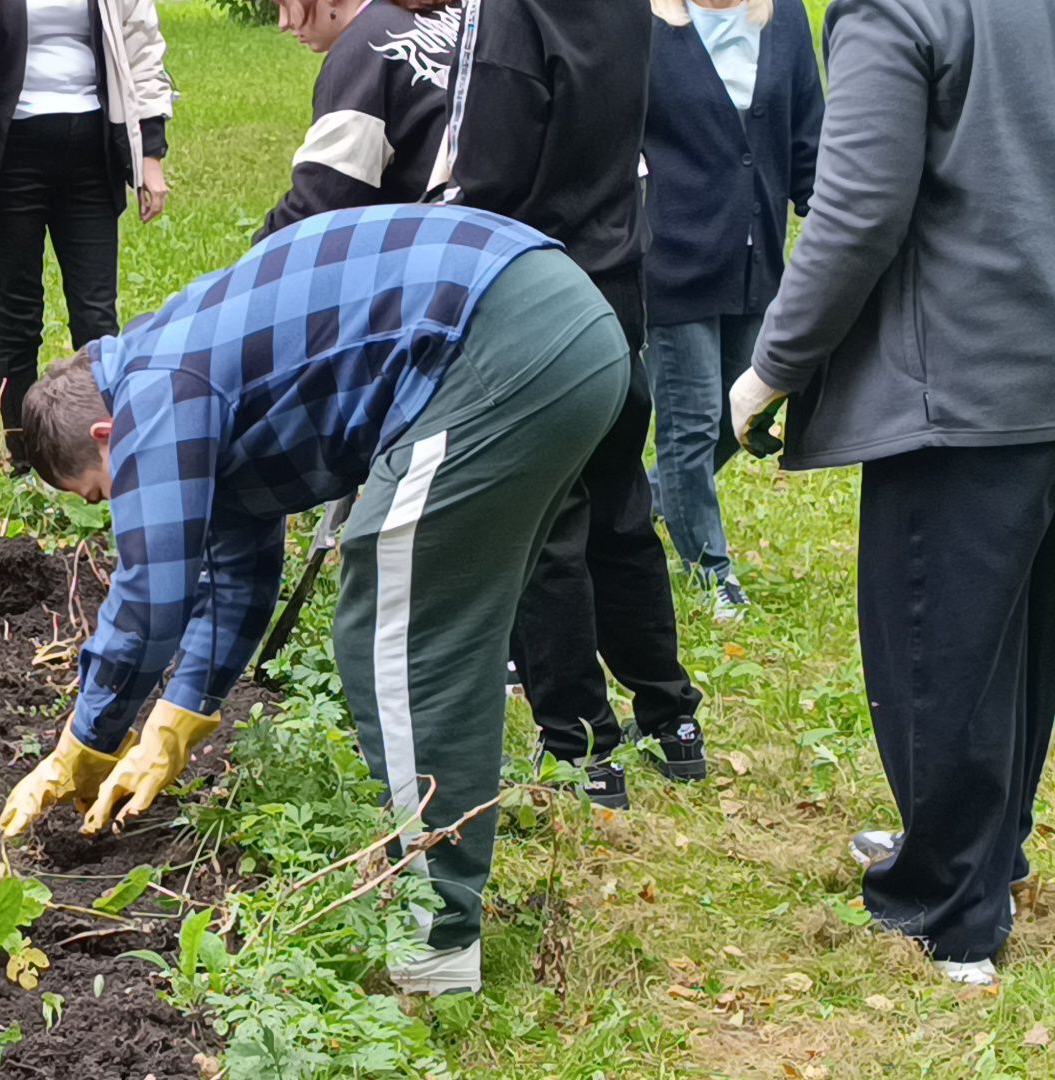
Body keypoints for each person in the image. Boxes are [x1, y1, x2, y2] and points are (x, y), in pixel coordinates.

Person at [0, 204, 632, 995]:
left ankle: (436, 944)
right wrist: (176, 720)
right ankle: (446, 889)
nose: (116, 506)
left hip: (499, 341)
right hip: (557, 325)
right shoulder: (186, 365)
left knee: (391, 636)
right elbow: (235, 575)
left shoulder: (156, 392)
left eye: (105, 493)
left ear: (105, 439)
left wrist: (84, 745)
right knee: (443, 627)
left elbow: (153, 592)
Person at [728, 0, 1055, 988]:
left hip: (960, 384)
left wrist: (768, 371)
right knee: (1019, 648)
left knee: (937, 661)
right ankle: (982, 857)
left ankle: (950, 913)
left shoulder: (895, 8)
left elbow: (858, 209)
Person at [443, 0, 704, 807]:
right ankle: (672, 716)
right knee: (622, 508)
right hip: (618, 272)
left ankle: (580, 743)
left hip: (537, 289)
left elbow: (484, 177)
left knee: (548, 525)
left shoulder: (513, 18)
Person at [0, 0, 174, 472]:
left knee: (97, 319)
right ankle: (24, 460)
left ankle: (105, 455)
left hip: (92, 154)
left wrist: (152, 151)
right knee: (19, 318)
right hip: (9, 157)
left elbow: (140, 40)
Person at [643, 0, 821, 617]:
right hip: (671, 256)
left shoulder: (785, 16)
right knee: (689, 424)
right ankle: (712, 576)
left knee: (738, 417)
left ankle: (648, 498)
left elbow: (808, 139)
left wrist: (834, 220)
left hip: (756, 256)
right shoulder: (646, 21)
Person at [259, 0, 463, 241]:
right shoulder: (453, 15)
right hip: (494, 235)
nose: (283, 22)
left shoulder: (364, 47)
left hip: (439, 248)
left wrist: (249, 263)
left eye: (286, 4)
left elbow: (317, 209)